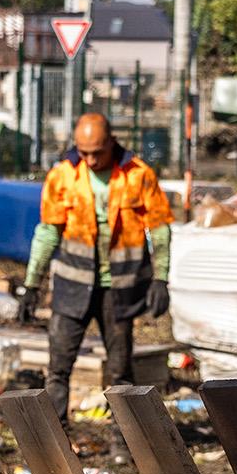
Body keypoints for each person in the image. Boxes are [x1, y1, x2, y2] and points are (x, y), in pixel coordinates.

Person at [21, 112, 173, 418]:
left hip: (120, 289)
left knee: (121, 371)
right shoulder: (62, 176)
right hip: (71, 286)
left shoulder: (138, 174)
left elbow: (159, 228)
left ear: (112, 143)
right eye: (83, 152)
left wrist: (161, 278)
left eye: (97, 152)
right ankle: (56, 446)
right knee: (58, 368)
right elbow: (48, 232)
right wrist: (31, 285)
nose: (90, 160)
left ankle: (126, 442)